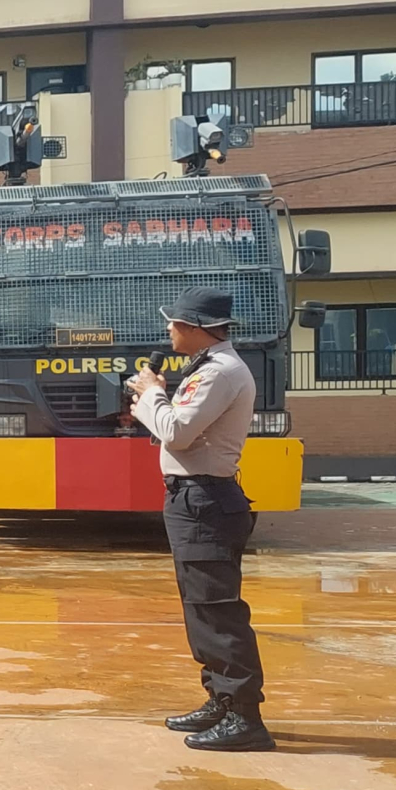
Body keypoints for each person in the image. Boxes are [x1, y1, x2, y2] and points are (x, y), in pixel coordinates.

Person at [129, 286, 274, 753]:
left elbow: (179, 432)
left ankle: (245, 718)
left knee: (217, 612)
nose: (168, 329)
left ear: (194, 326)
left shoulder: (221, 372)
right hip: (193, 500)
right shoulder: (208, 369)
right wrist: (156, 400)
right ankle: (221, 701)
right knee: (200, 609)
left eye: (173, 322)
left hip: (205, 501)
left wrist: (153, 397)